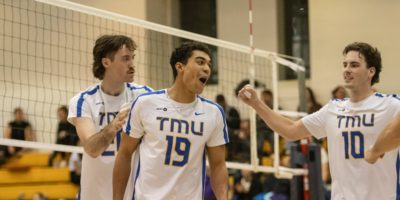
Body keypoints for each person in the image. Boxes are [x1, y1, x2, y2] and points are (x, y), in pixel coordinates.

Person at [238, 42, 400, 200]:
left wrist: (375, 150)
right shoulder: (333, 109)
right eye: (345, 65)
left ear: (371, 71)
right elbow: (291, 130)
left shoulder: (390, 105)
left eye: (354, 65)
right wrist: (257, 104)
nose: (347, 70)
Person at [113, 41, 229, 199]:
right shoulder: (145, 103)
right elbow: (124, 154)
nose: (207, 68)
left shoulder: (213, 113)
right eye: (200, 62)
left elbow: (218, 165)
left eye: (209, 64)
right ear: (180, 67)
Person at [68, 35, 152, 200]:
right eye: (125, 59)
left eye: (132, 58)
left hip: (130, 195)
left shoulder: (144, 96)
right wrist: (114, 125)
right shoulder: (83, 101)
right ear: (106, 62)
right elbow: (92, 149)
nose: (132, 65)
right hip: (93, 195)